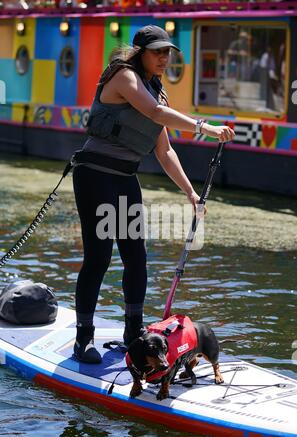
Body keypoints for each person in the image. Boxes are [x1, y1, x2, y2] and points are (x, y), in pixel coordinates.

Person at [72, 25, 235, 364]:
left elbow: (164, 151)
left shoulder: (157, 90)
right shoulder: (123, 76)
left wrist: (190, 193)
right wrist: (206, 128)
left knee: (137, 257)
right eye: (157, 51)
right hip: (95, 176)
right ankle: (82, 339)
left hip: (124, 179)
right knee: (99, 258)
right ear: (140, 52)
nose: (164, 58)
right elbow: (156, 115)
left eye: (167, 52)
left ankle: (133, 333)